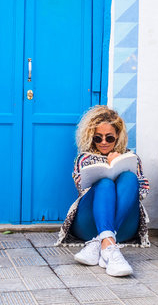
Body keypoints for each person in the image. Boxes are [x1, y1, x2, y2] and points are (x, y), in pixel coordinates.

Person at [55, 105, 150, 277]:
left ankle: (101, 244)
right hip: (88, 223)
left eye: (109, 138)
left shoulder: (131, 158)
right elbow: (82, 189)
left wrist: (120, 164)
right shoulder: (83, 158)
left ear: (118, 137)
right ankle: (109, 248)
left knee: (129, 179)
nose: (104, 142)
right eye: (98, 138)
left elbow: (142, 193)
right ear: (91, 137)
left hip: (124, 227)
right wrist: (107, 166)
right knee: (104, 183)